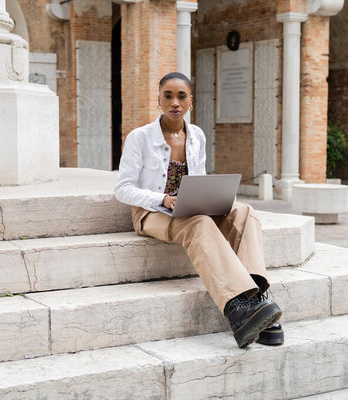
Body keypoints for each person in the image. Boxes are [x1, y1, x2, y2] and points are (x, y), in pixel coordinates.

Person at [114, 72, 283, 348]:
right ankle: (237, 310)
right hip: (150, 212)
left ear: (190, 101)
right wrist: (162, 199)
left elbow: (199, 178)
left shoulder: (197, 136)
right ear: (158, 100)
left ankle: (256, 301)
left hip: (191, 207)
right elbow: (122, 188)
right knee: (201, 224)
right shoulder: (139, 138)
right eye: (167, 96)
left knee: (245, 212)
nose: (175, 103)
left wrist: (210, 198)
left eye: (181, 96)